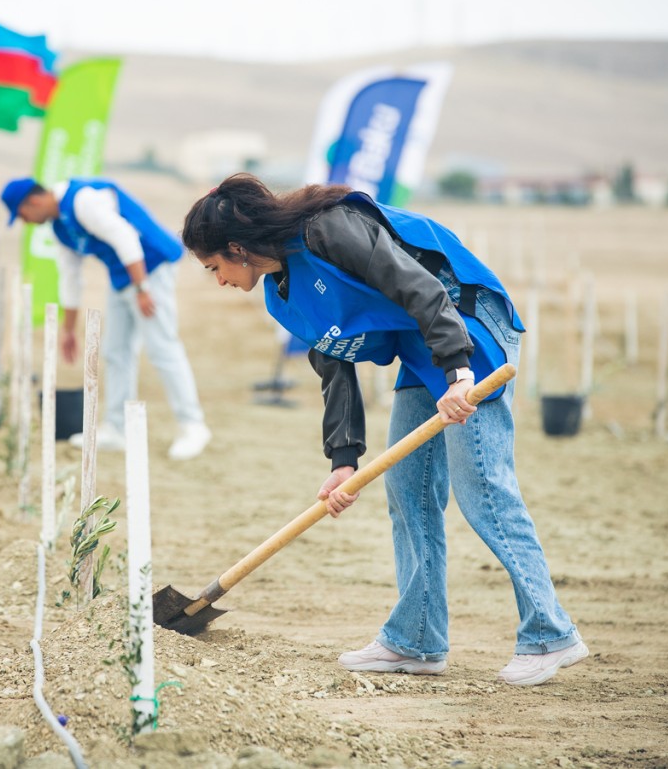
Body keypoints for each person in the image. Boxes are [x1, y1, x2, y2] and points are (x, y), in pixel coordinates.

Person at [181, 174, 586, 687]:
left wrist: (460, 372)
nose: (217, 280)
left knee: (482, 489)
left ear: (237, 248)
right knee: (406, 491)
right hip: (423, 352)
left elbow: (420, 286)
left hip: (465, 327)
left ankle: (552, 634)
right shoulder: (281, 299)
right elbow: (335, 364)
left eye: (214, 266)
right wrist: (343, 462)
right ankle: (416, 641)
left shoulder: (330, 229)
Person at [0, 176, 212, 461]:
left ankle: (193, 426)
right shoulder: (60, 227)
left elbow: (125, 237)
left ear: (34, 201)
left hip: (151, 267)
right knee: (115, 351)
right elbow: (70, 277)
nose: (24, 222)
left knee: (161, 346)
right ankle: (117, 428)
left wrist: (142, 289)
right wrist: (69, 330)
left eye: (22, 214)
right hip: (123, 276)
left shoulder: (83, 200)